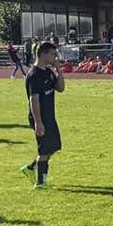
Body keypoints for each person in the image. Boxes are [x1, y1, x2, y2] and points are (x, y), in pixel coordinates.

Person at [21, 41, 65, 189]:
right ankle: (40, 183)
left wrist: (59, 71)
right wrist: (38, 122)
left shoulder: (48, 72)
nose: (55, 57)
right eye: (53, 54)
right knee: (44, 149)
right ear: (43, 54)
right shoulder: (33, 75)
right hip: (39, 116)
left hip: (49, 116)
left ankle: (31, 168)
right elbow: (34, 99)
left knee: (53, 147)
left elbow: (60, 88)